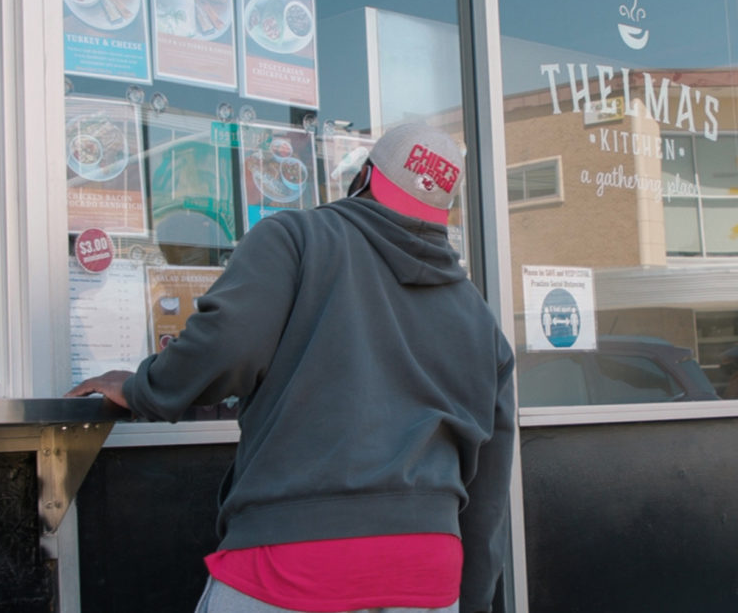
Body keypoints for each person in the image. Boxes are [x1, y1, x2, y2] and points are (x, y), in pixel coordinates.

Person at [67, 123, 516, 613]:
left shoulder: (297, 238)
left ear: (363, 177)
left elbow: (227, 346)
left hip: (294, 556)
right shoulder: (479, 318)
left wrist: (143, 388)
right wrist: (471, 599)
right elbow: (489, 490)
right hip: (429, 570)